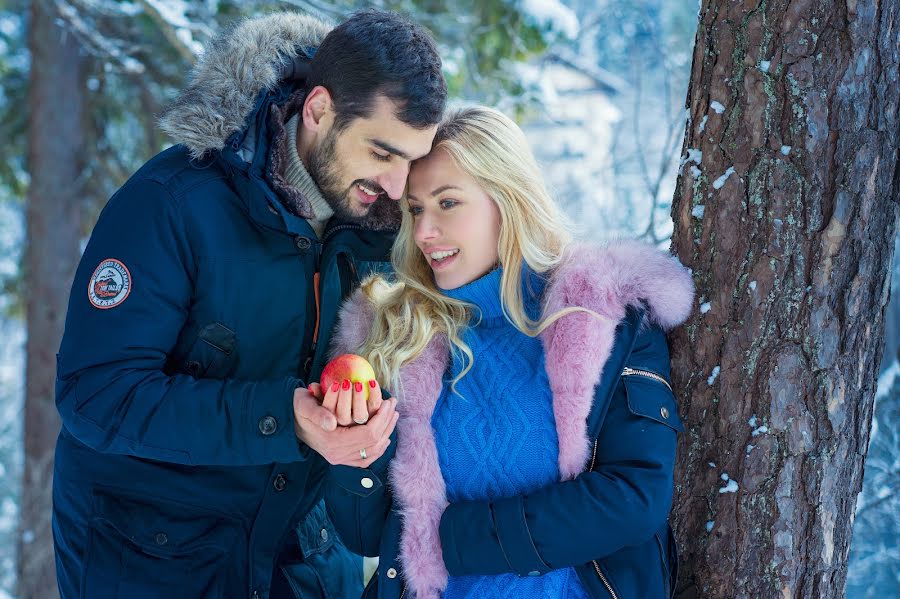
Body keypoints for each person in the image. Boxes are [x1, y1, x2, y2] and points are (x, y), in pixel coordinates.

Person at [52, 9, 445, 599]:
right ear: (318, 110)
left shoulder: (388, 235)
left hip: (300, 559)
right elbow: (96, 393)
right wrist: (284, 418)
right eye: (382, 153)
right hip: (153, 560)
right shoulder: (173, 204)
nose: (396, 184)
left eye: (411, 161)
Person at [321, 106, 695, 598]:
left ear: (508, 199)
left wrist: (448, 540)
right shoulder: (394, 332)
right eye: (415, 209)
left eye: (447, 203)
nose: (424, 232)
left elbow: (632, 497)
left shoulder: (602, 317)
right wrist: (355, 449)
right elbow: (366, 534)